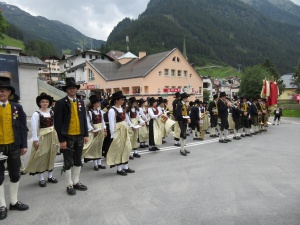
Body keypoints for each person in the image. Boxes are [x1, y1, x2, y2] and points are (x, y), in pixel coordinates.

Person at [0, 74, 29, 220]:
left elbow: (23, 128)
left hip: (14, 146)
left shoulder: (17, 107)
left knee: (15, 174)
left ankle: (13, 201)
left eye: (4, 90)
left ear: (9, 92)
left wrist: (24, 145)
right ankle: (2, 205)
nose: (1, 93)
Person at [53, 77, 89, 196]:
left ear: (76, 89)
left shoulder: (80, 102)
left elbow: (84, 119)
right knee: (68, 162)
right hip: (67, 136)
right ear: (66, 90)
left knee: (78, 160)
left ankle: (76, 182)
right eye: (70, 88)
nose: (72, 90)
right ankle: (69, 184)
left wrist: (85, 134)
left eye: (73, 88)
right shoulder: (60, 103)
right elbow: (57, 123)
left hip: (79, 135)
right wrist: (61, 140)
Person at [25, 93, 59, 187]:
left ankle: (50, 176)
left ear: (49, 103)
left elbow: (54, 125)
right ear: (39, 103)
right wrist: (35, 140)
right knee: (41, 156)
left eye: (46, 102)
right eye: (43, 102)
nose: (45, 103)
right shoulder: (36, 114)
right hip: (42, 137)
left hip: (52, 136)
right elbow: (34, 128)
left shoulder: (51, 112)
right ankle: (41, 178)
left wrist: (57, 137)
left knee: (51, 155)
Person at [106, 91, 135, 176]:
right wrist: (113, 135)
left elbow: (125, 120)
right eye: (121, 99)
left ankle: (126, 166)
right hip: (118, 131)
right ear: (116, 100)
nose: (123, 101)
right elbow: (112, 124)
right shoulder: (112, 110)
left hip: (124, 130)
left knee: (127, 147)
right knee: (119, 149)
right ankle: (119, 169)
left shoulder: (122, 109)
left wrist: (130, 126)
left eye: (123, 99)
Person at [83, 95, 107, 171]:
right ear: (94, 103)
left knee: (100, 145)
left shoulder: (100, 111)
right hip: (94, 130)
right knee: (94, 146)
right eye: (98, 102)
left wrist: (105, 129)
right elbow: (88, 122)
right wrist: (92, 130)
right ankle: (95, 164)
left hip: (101, 129)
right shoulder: (89, 112)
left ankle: (99, 163)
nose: (99, 103)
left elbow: (102, 121)